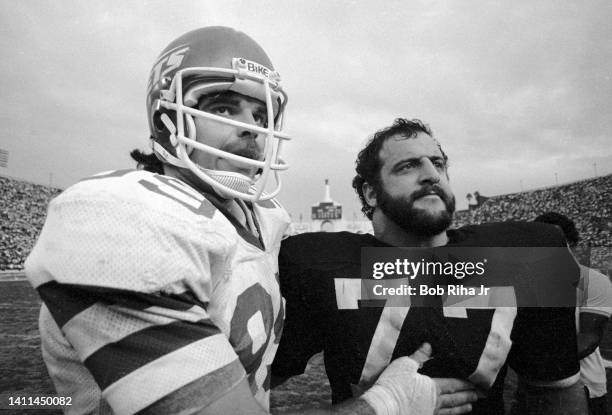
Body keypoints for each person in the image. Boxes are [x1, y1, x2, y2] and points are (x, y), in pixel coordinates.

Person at [25, 29, 471, 415]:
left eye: (261, 115)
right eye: (223, 107)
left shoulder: (265, 220)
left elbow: (368, 278)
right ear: (166, 118)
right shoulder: (126, 219)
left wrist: (498, 274)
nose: (252, 129)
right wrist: (385, 404)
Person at [272, 118, 588, 414]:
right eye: (408, 166)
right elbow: (233, 398)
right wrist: (379, 406)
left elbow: (554, 392)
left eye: (437, 163)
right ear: (370, 193)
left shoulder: (528, 253)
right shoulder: (312, 263)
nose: (431, 174)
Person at [534, 212, 612, 415]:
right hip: (533, 388)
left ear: (570, 242)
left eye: (556, 240)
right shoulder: (527, 284)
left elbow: (588, 338)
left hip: (584, 386)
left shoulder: (593, 281)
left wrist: (534, 360)